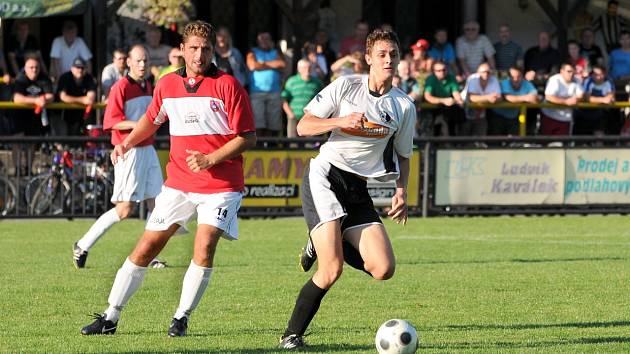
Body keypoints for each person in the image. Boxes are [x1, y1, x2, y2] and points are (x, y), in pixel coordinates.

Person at [80, 20, 256, 337]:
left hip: (221, 186)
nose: (199, 55)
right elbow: (151, 120)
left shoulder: (228, 85)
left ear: (213, 49)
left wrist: (211, 158)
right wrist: (126, 142)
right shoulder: (166, 85)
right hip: (179, 183)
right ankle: (110, 317)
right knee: (146, 247)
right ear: (182, 50)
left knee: (204, 246)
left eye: (205, 49)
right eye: (193, 48)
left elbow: (247, 137)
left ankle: (181, 318)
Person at [278, 28, 415, 349]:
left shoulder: (404, 106)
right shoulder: (346, 85)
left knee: (383, 269)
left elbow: (404, 155)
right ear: (368, 59)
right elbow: (303, 125)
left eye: (393, 54)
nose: (388, 60)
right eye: (381, 54)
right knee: (331, 269)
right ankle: (291, 336)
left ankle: (326, 237)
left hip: (357, 189)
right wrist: (339, 122)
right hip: (325, 176)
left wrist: (402, 192)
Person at [72, 45, 164, 269]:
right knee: (124, 210)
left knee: (159, 205)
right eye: (139, 61)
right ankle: (82, 245)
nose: (143, 65)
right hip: (129, 150)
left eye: (146, 61)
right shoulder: (120, 86)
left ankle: (149, 256)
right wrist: (140, 126)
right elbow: (111, 122)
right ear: (129, 63)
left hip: (148, 149)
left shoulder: (148, 85)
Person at [11, 54, 54, 175]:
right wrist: (35, 101)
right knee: (17, 142)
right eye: (31, 67)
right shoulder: (20, 79)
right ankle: (18, 169)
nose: (34, 70)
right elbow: (16, 98)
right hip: (19, 115)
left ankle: (29, 169)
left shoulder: (44, 78)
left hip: (35, 117)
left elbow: (51, 95)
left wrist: (44, 99)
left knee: (32, 143)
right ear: (25, 68)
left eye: (36, 67)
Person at [247, 31, 287, 137]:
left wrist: (262, 64)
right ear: (257, 40)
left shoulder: (276, 52)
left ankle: (272, 146)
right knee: (258, 122)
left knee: (274, 123)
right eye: (262, 38)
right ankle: (260, 146)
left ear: (271, 40)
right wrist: (273, 64)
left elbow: (282, 64)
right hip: (257, 92)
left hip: (274, 91)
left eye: (267, 38)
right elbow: (252, 65)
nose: (264, 41)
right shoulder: (252, 51)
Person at [281, 59, 323, 138]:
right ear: (299, 69)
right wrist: (290, 114)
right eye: (304, 67)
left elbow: (324, 99)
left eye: (309, 67)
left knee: (309, 144)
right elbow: (283, 99)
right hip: (294, 116)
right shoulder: (291, 81)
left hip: (310, 117)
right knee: (292, 143)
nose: (307, 70)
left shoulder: (317, 82)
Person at [55, 57, 97, 136]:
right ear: (72, 68)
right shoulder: (65, 77)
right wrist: (82, 100)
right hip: (63, 112)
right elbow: (63, 97)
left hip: (80, 113)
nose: (80, 70)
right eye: (77, 67)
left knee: (79, 136)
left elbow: (90, 99)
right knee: (63, 136)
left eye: (82, 68)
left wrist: (72, 99)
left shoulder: (89, 78)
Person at [493, 66, 538, 136]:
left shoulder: (527, 84)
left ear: (522, 76)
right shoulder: (504, 83)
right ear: (509, 77)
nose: (515, 79)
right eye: (512, 77)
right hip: (498, 117)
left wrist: (530, 98)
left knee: (514, 141)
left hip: (514, 117)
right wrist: (526, 98)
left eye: (518, 76)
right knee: (496, 142)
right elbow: (508, 97)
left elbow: (534, 98)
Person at [541, 63, 584, 136]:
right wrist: (566, 101)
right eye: (569, 71)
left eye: (573, 72)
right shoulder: (554, 80)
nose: (571, 74)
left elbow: (581, 95)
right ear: (561, 71)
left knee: (561, 145)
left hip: (565, 119)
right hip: (549, 117)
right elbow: (549, 97)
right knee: (546, 143)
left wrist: (576, 99)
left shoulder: (576, 80)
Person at [459, 62, 501, 136]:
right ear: (478, 72)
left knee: (481, 135)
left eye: (488, 72)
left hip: (482, 112)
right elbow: (472, 98)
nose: (486, 74)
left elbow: (499, 97)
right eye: (484, 72)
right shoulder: (472, 78)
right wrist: (488, 97)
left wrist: (493, 99)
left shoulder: (494, 79)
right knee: (465, 135)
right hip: (466, 110)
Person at [423, 60, 464, 136]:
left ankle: (454, 141)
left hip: (447, 106)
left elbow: (455, 93)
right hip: (432, 107)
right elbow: (427, 97)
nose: (442, 72)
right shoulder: (430, 79)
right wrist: (443, 100)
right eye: (439, 70)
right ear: (434, 71)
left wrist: (459, 100)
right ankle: (434, 142)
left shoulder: (451, 77)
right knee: (435, 122)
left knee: (456, 114)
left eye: (444, 70)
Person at [574, 65, 615, 136]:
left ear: (604, 74)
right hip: (584, 114)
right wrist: (603, 100)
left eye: (601, 74)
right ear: (592, 75)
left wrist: (595, 99)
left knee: (599, 138)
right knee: (581, 140)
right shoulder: (588, 81)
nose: (598, 77)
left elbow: (610, 98)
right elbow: (587, 98)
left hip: (600, 115)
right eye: (596, 74)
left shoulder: (609, 82)